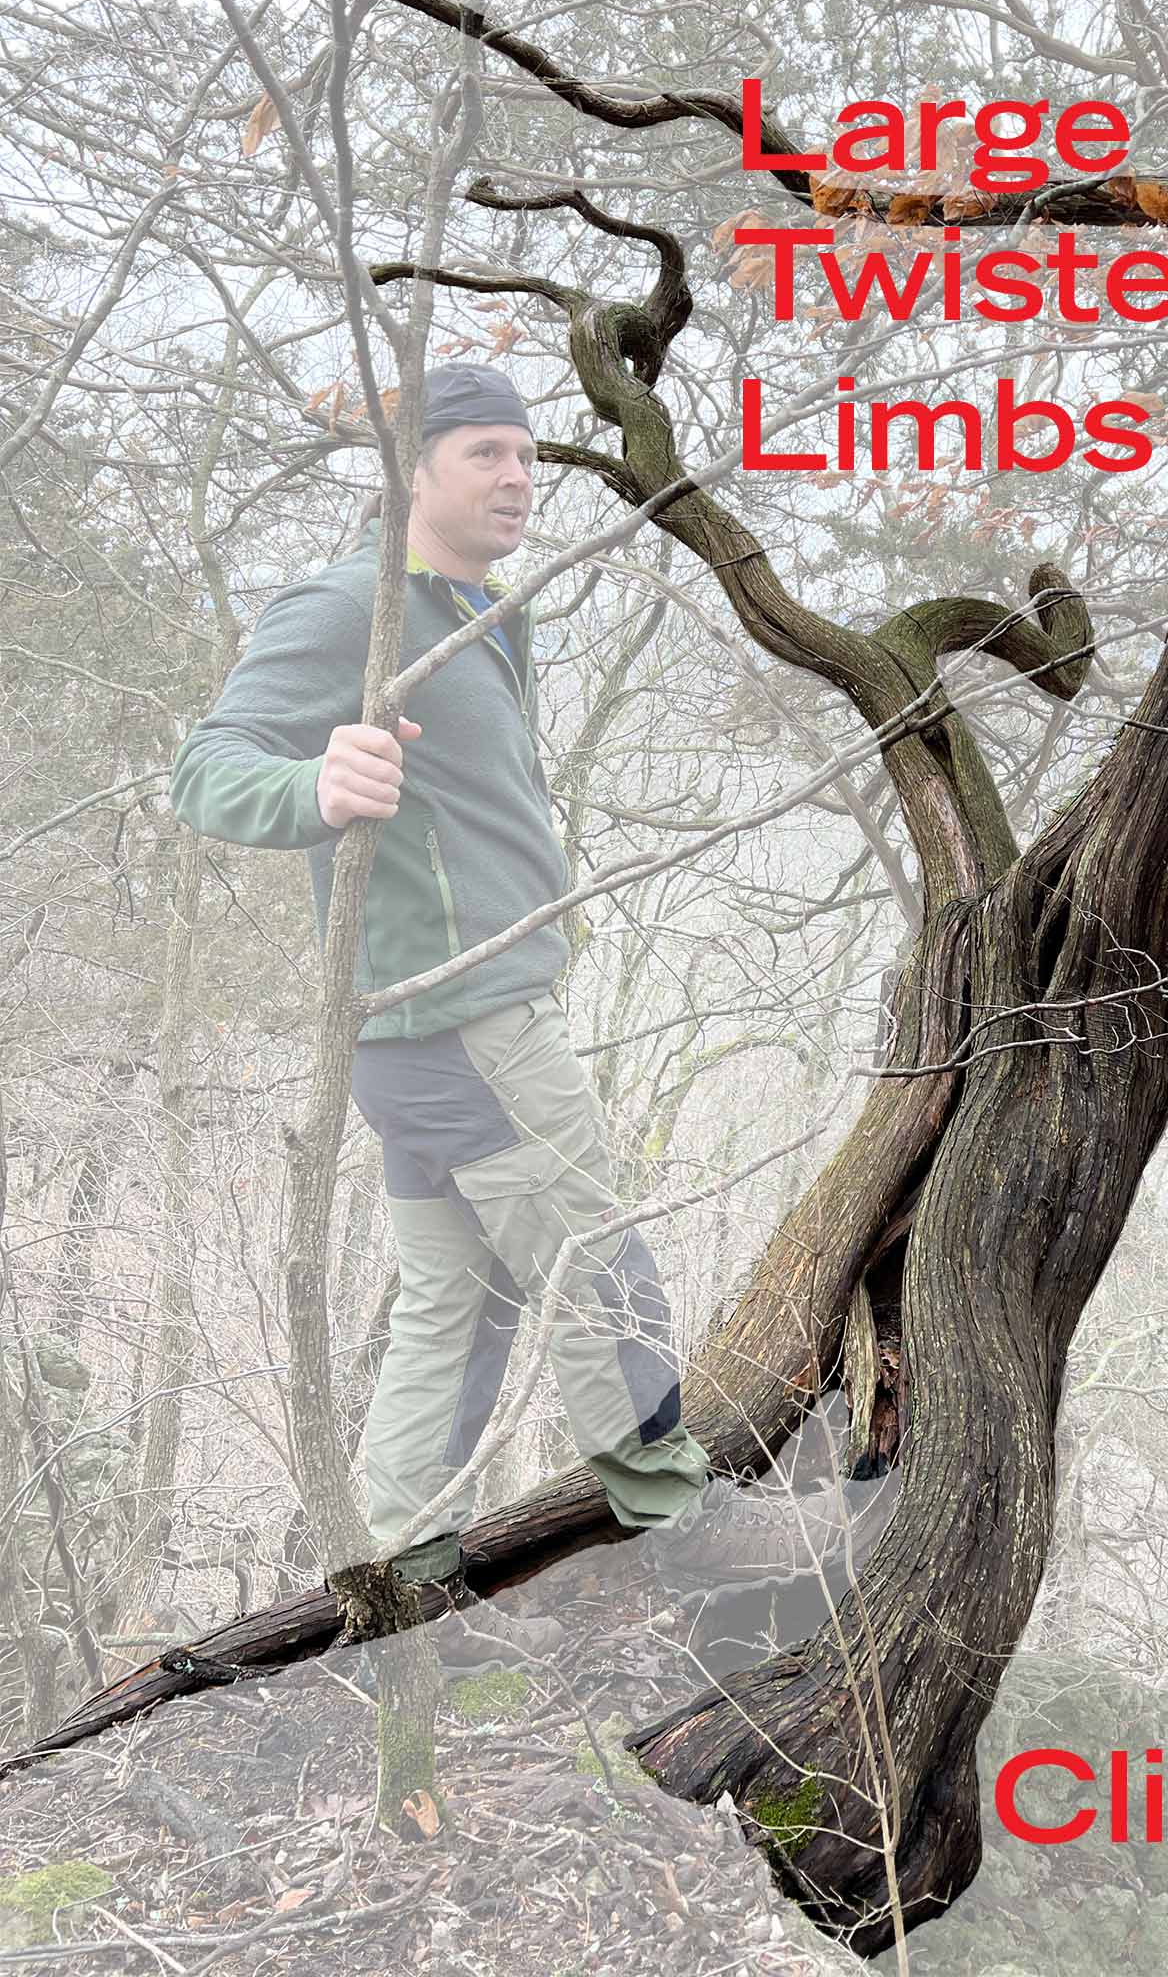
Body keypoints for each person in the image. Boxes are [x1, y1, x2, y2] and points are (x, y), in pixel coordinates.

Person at [170, 361, 713, 1665]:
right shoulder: (351, 609)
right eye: (486, 454)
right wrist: (315, 785)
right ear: (413, 470)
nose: (520, 477)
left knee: (456, 1307)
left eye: (528, 455)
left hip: (426, 1039)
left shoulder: (473, 611)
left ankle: (399, 1567)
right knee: (597, 1266)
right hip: (460, 1024)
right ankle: (683, 1527)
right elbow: (208, 767)